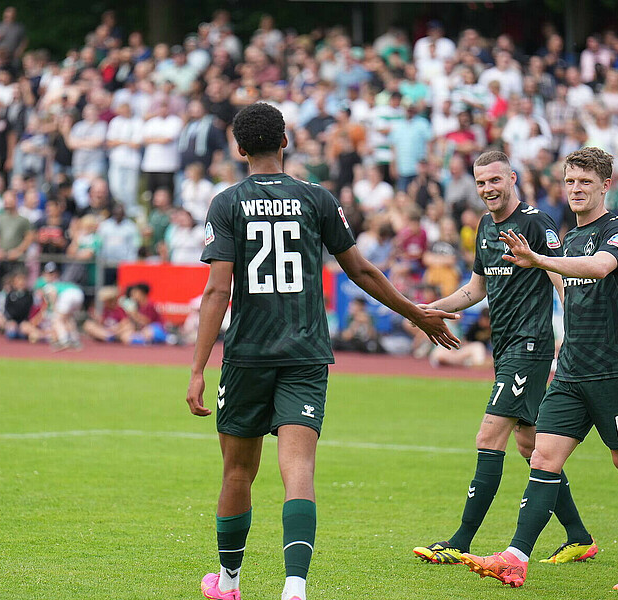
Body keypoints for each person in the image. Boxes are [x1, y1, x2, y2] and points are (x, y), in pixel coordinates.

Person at [186, 102, 459, 600]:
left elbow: (216, 292)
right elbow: (362, 270)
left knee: (237, 471)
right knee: (300, 472)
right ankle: (295, 587)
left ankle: (228, 583)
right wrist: (416, 313)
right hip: (307, 353)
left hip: (248, 355)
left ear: (239, 148)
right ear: (286, 142)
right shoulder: (316, 198)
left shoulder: (226, 203)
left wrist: (199, 368)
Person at [457, 147, 618, 591]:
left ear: (606, 185)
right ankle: (515, 557)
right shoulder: (569, 238)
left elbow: (599, 268)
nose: (575, 190)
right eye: (570, 182)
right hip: (569, 371)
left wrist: (540, 260)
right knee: (542, 457)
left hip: (614, 371)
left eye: (585, 183)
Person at [413, 151, 595, 566]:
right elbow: (476, 289)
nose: (487, 189)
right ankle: (579, 536)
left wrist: (574, 333)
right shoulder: (484, 227)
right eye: (480, 183)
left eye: (495, 180)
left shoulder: (535, 222)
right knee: (531, 446)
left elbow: (559, 272)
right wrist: (428, 309)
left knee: (488, 437)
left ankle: (459, 541)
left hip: (529, 347)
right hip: (506, 348)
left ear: (512, 178)